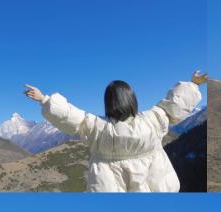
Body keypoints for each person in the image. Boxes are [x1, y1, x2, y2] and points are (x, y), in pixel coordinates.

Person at [24, 71, 208, 192]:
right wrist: (194, 84)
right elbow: (175, 104)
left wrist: (44, 99)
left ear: (108, 103)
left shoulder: (96, 127)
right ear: (132, 99)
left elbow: (69, 115)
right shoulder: (153, 120)